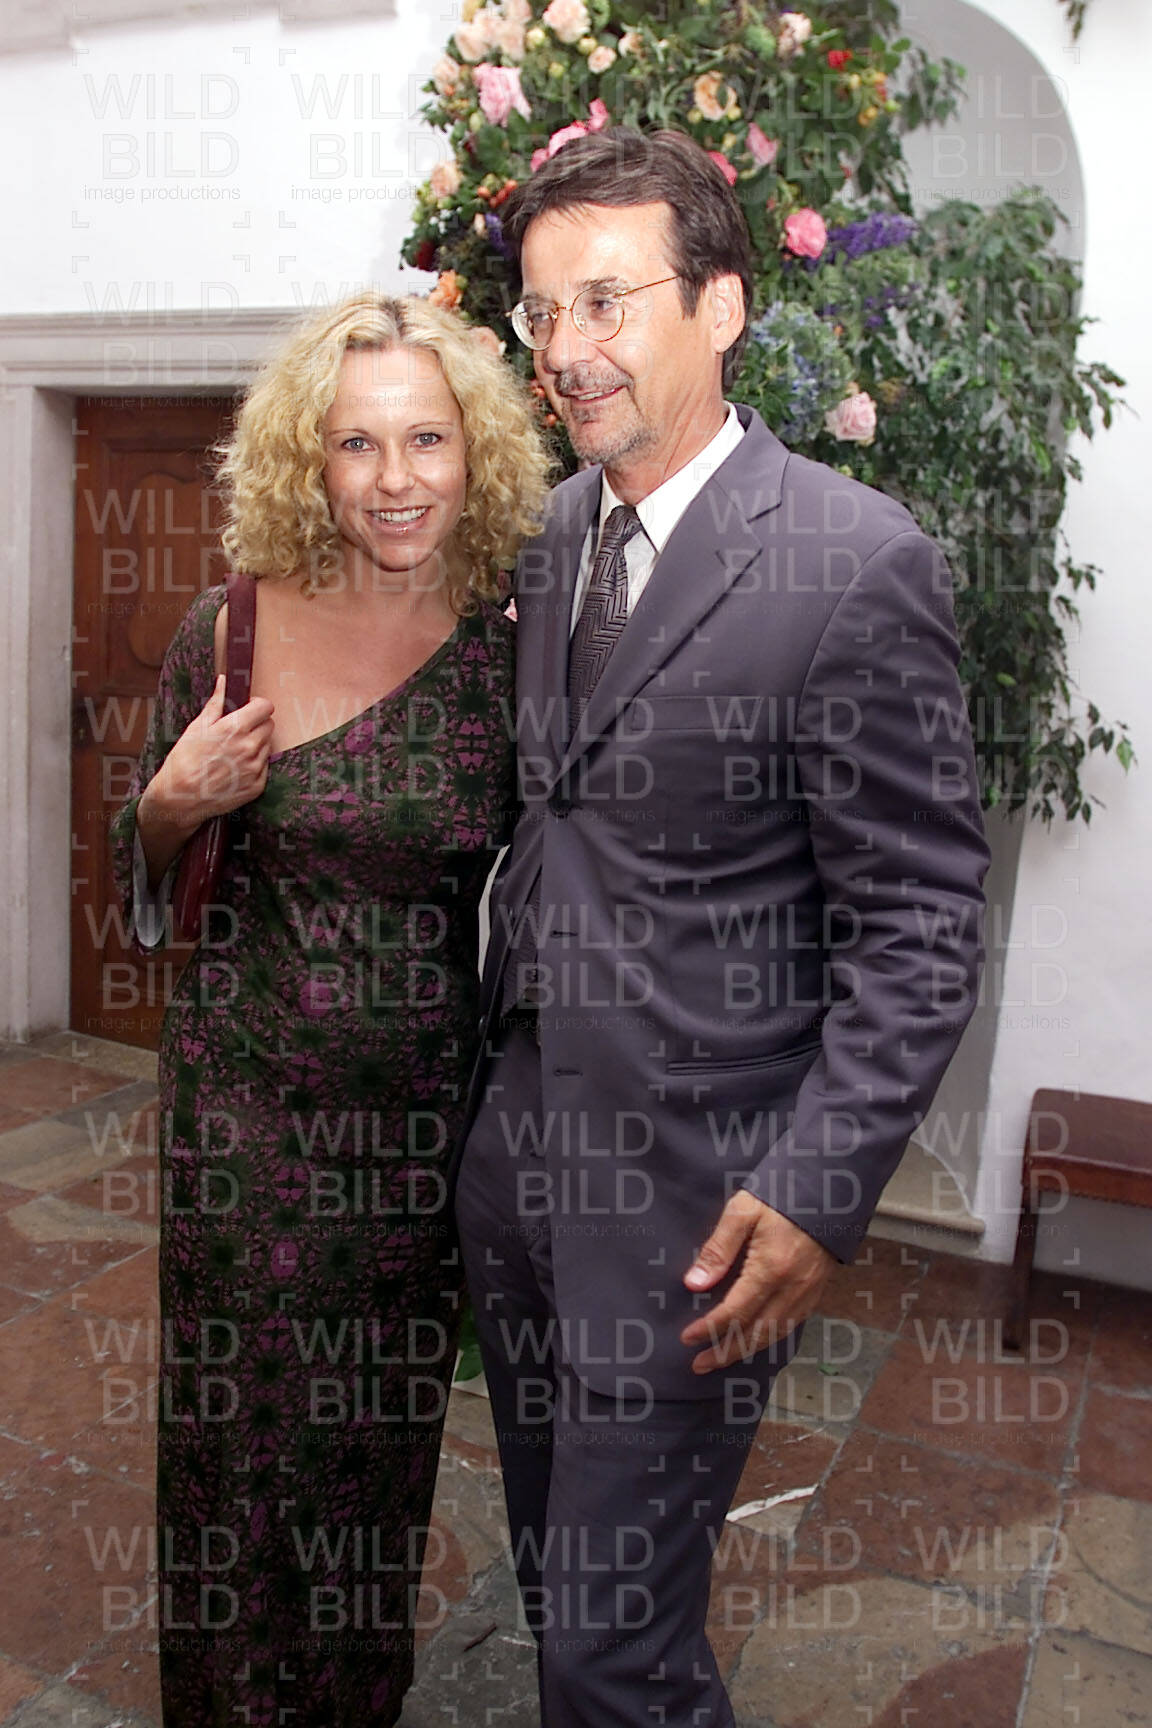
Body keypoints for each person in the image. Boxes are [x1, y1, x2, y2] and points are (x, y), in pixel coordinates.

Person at [453, 128, 990, 1726]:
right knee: (563, 1590)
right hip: (523, 1167)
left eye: (608, 301)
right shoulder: (553, 539)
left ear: (725, 303)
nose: (568, 349)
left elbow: (921, 921)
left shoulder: (855, 561)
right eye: (545, 311)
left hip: (697, 1212)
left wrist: (819, 1188)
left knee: (611, 1659)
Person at [110, 291, 550, 1727]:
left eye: (427, 438)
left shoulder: (511, 654)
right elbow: (139, 872)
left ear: (476, 453)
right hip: (243, 1128)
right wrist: (169, 804)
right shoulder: (224, 631)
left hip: (414, 1136)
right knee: (240, 1455)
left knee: (371, 1448)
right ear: (310, 460)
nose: (396, 477)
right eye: (358, 443)